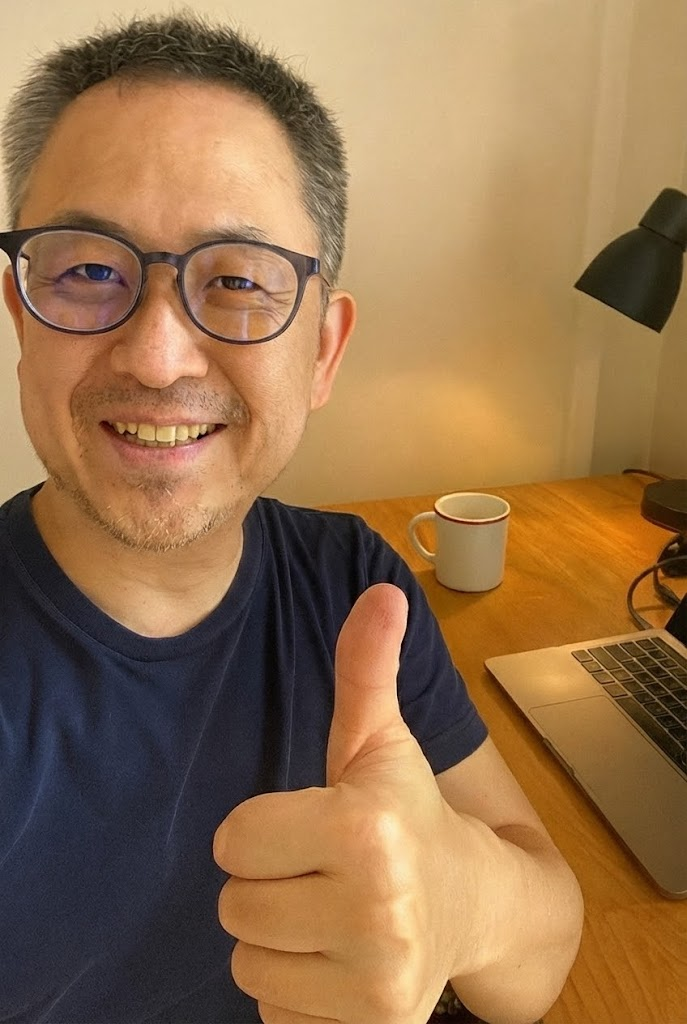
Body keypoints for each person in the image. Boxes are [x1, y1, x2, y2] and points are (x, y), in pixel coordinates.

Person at [0, 13, 583, 1024]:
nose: (157, 356)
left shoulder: (353, 584)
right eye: (89, 269)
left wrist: (463, 902)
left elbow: (540, 954)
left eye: (235, 280)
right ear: (19, 315)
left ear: (322, 349)